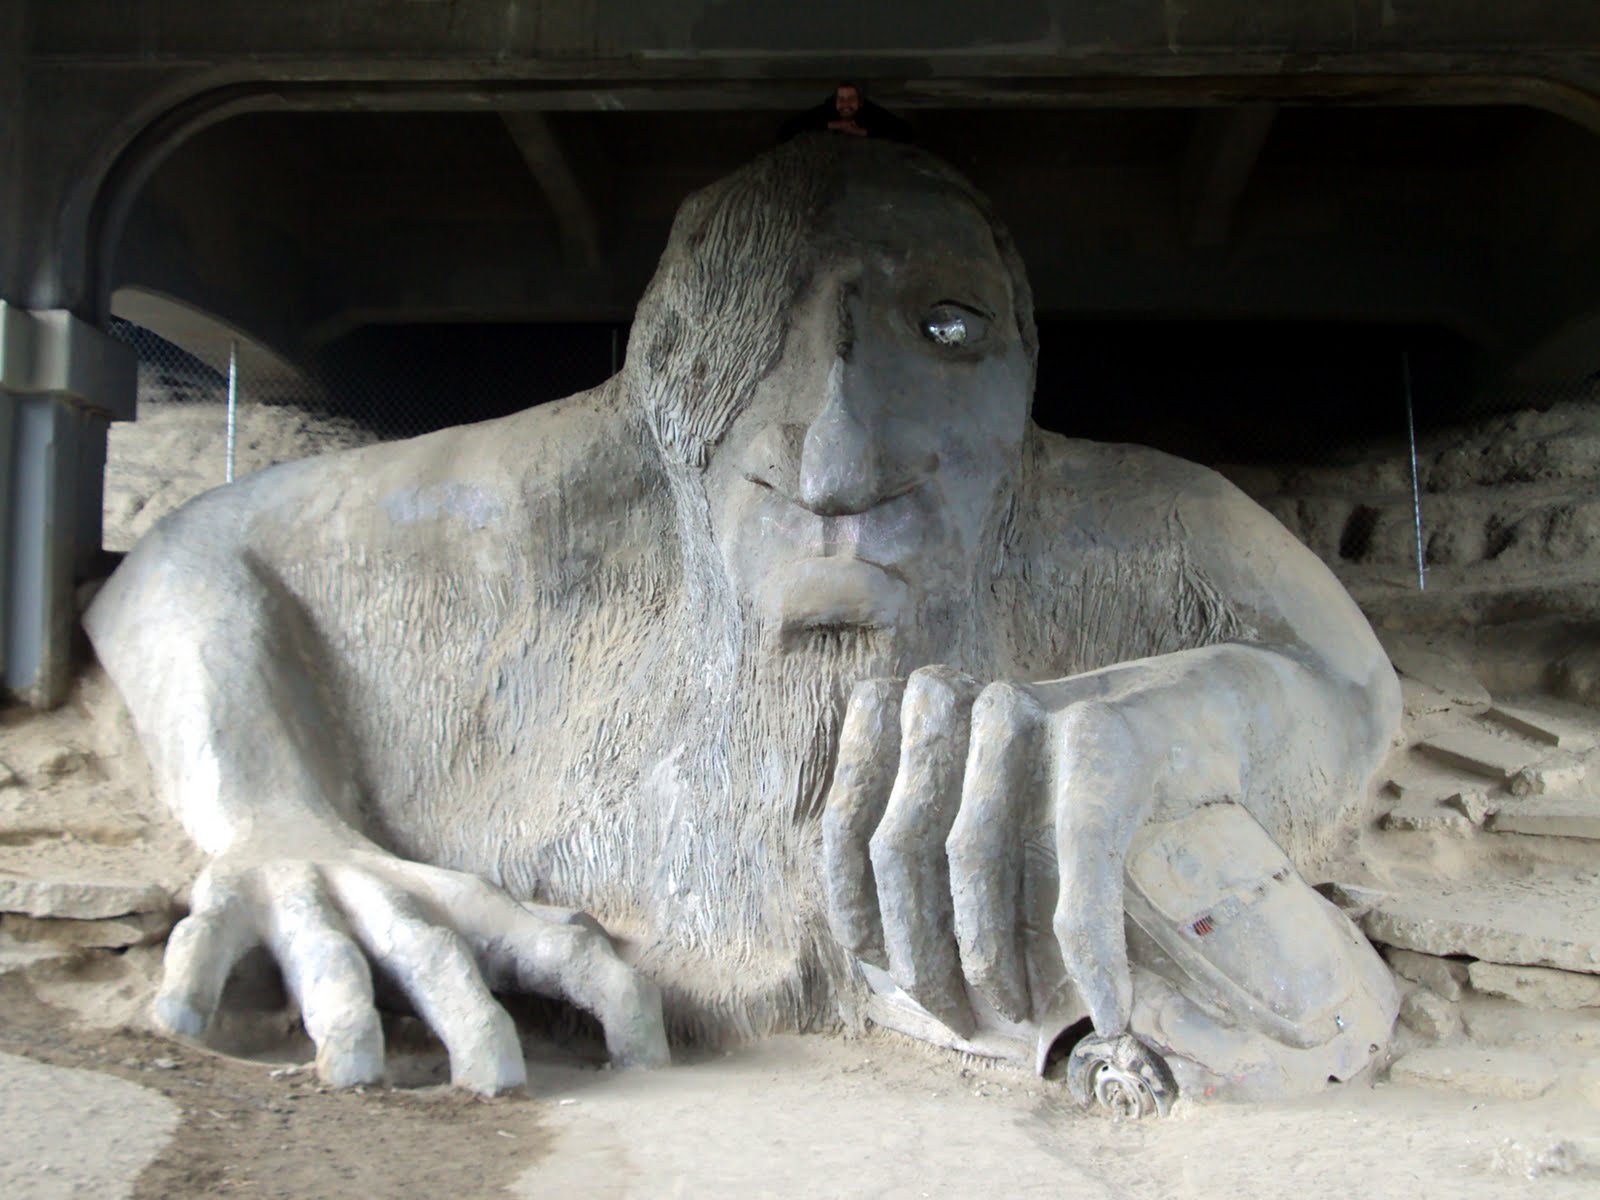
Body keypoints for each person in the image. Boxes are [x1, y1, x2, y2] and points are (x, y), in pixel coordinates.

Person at [85, 135, 1399, 1098]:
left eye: (946, 330)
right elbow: (191, 562)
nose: (837, 465)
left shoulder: (1119, 516)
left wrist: (1199, 722)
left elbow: (1346, 681)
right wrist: (264, 815)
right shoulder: (564, 492)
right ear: (662, 399)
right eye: (743, 340)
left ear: (1024, 375)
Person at [779, 81, 912, 142]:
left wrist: (862, 132)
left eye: (851, 99)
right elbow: (786, 131)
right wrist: (832, 125)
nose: (845, 104)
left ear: (859, 102)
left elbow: (905, 133)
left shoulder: (870, 112)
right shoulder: (827, 111)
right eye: (841, 98)